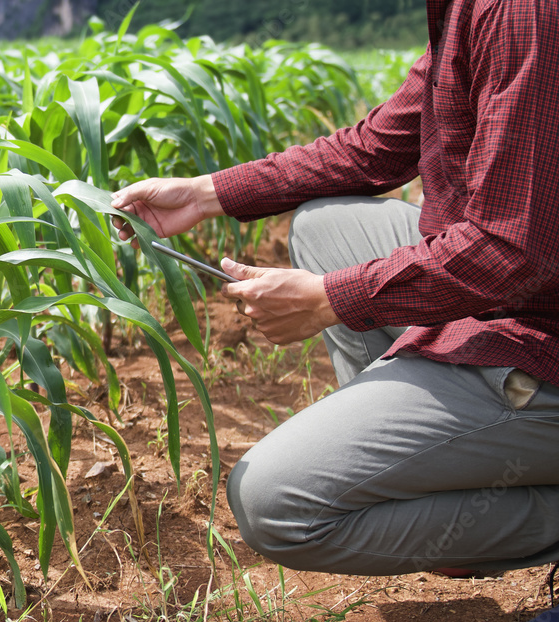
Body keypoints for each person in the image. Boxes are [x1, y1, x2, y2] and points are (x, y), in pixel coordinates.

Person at [112, 0, 559, 577]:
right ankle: (424, 453)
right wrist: (204, 194)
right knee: (326, 226)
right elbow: (375, 146)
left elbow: (509, 251)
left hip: (537, 334)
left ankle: (511, 505)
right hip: (510, 291)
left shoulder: (524, 13)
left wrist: (330, 298)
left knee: (276, 505)